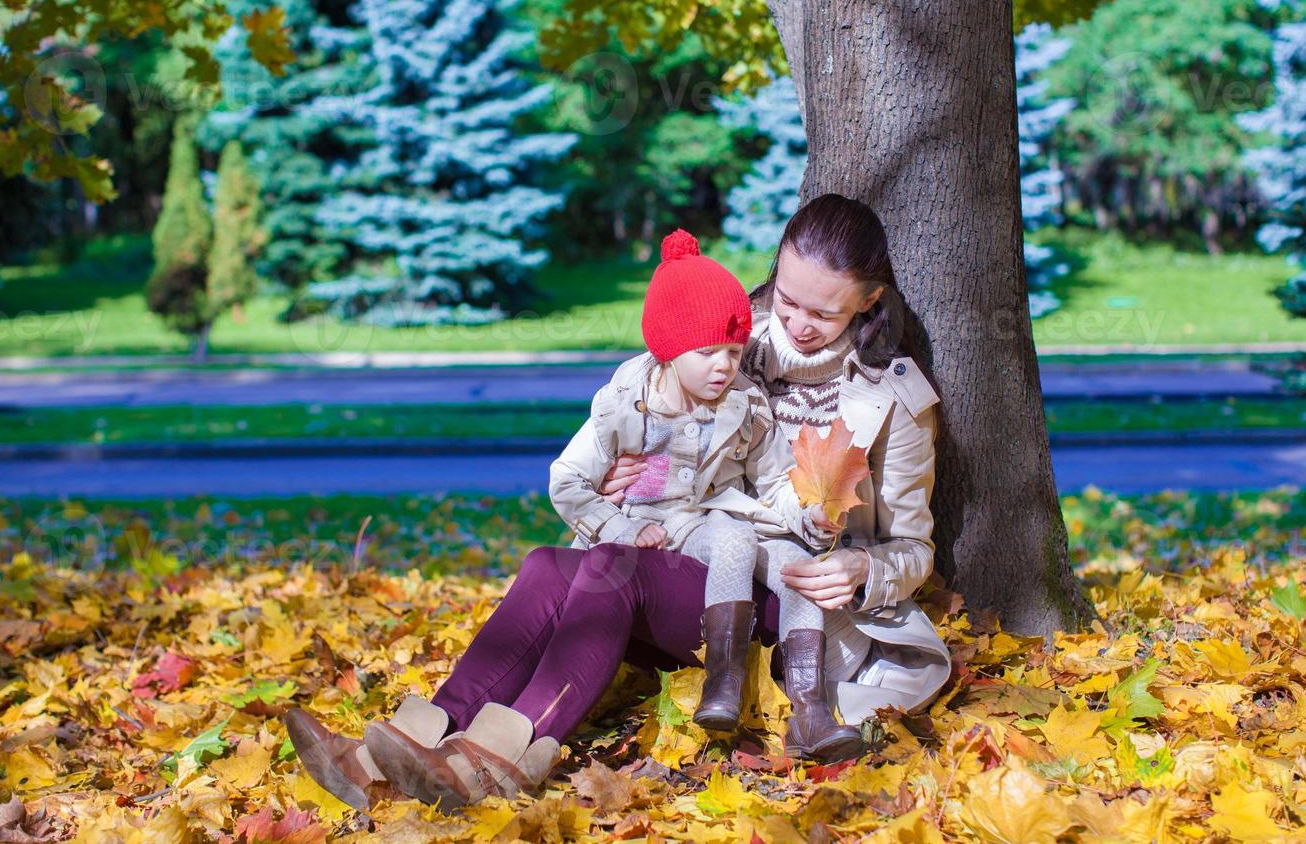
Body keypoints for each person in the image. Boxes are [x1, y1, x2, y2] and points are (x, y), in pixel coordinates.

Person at [284, 193, 950, 813]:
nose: (796, 325)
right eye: (788, 298)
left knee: (611, 574)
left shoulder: (893, 398)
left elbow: (914, 549)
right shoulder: (729, 337)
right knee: (549, 566)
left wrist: (863, 574)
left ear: (868, 302)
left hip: (783, 598)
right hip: (691, 548)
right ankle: (394, 752)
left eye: (823, 313)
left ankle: (495, 763)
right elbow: (669, 429)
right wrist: (632, 480)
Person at [548, 228, 860, 760]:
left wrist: (810, 517)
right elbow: (567, 481)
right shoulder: (625, 403)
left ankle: (810, 714)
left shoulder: (744, 404)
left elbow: (775, 479)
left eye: (735, 352)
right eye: (709, 351)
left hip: (717, 518)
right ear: (669, 348)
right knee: (734, 539)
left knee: (798, 570)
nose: (725, 365)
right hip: (662, 529)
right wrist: (620, 527)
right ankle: (724, 681)